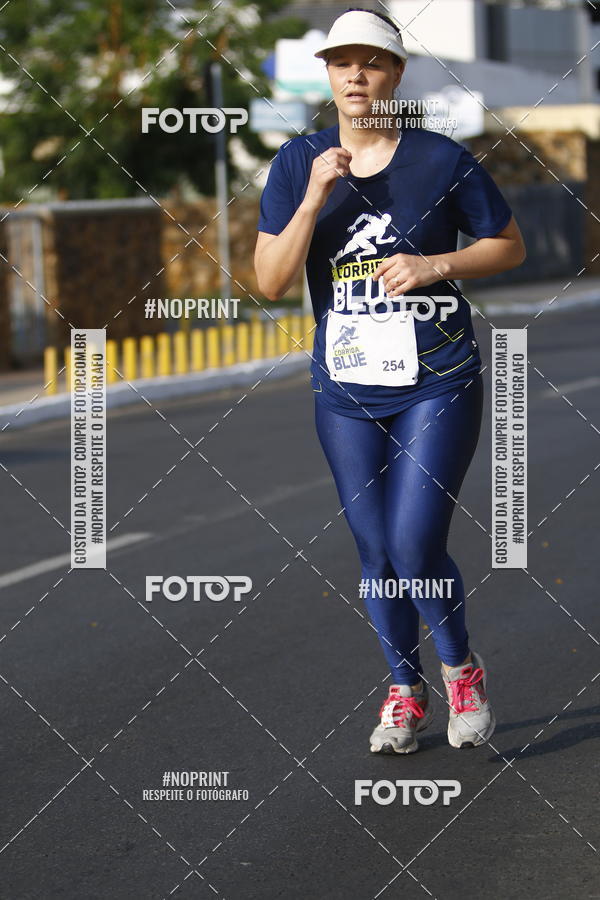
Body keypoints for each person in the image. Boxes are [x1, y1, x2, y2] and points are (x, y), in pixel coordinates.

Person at [254, 7, 526, 754]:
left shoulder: (440, 161)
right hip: (345, 387)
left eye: (371, 62)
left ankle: (460, 668)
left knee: (413, 543)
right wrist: (313, 197)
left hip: (437, 377)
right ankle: (404, 693)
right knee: (373, 548)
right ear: (330, 75)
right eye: (342, 62)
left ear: (395, 74)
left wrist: (436, 264)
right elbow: (272, 280)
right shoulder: (295, 162)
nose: (356, 74)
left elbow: (509, 247)